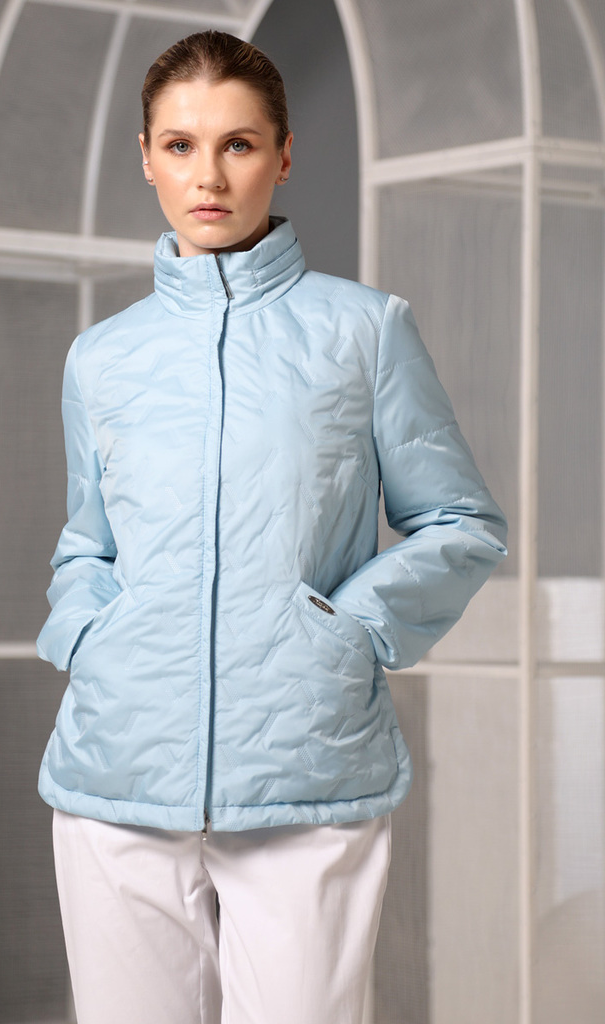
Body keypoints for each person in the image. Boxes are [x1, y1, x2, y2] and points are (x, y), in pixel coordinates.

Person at [37, 30, 507, 1024]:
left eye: (239, 144)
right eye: (180, 145)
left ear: (284, 155)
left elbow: (459, 521)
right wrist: (88, 632)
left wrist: (347, 632)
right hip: (117, 766)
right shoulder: (102, 357)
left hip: (308, 770)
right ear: (146, 156)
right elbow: (89, 542)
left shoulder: (366, 330)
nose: (208, 176)